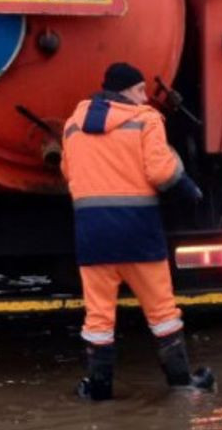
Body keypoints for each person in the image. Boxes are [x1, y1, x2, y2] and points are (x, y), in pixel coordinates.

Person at [61, 62, 214, 400]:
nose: (146, 97)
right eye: (141, 90)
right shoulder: (146, 120)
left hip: (92, 236)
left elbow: (68, 172)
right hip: (138, 233)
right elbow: (160, 172)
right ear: (126, 91)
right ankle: (181, 383)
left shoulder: (73, 125)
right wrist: (189, 188)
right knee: (161, 312)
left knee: (99, 315)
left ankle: (99, 389)